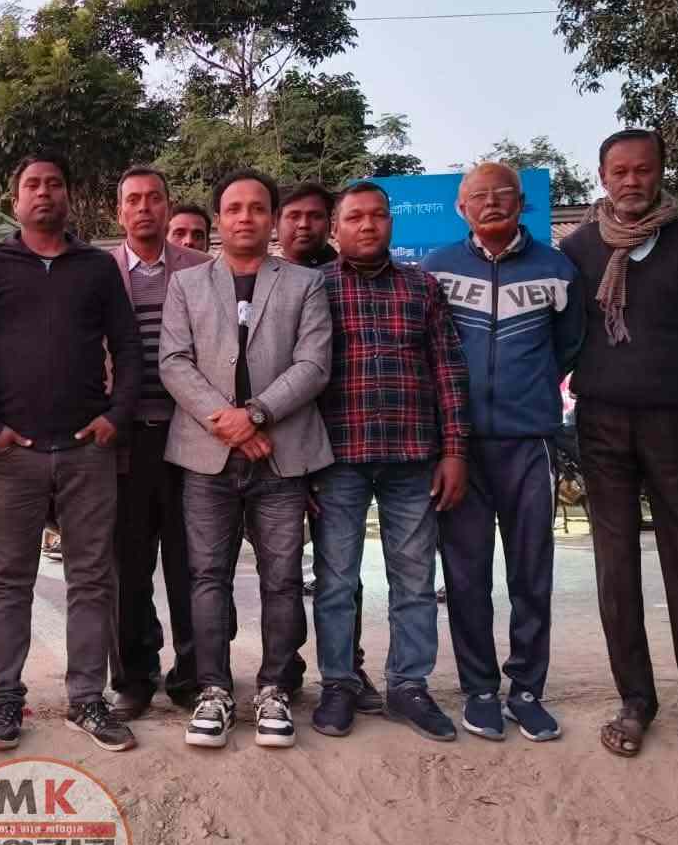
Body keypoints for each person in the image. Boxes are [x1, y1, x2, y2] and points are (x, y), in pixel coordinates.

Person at [561, 128, 678, 770]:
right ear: (603, 177)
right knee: (615, 566)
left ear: (660, 172)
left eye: (643, 170)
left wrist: (671, 380)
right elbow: (565, 333)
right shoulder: (577, 250)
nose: (631, 181)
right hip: (602, 423)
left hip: (676, 421)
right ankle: (634, 699)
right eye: (620, 172)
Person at [0, 154, 143, 752]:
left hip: (88, 452)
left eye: (54, 184)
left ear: (68, 196)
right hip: (15, 455)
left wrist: (115, 417)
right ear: (15, 200)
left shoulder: (96, 267)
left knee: (91, 580)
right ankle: (5, 699)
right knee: (10, 582)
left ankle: (87, 700)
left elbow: (130, 349)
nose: (44, 193)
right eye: (32, 185)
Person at [160, 170, 333, 749]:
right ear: (219, 219)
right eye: (234, 208)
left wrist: (255, 415)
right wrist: (228, 423)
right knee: (207, 577)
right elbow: (175, 362)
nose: (245, 217)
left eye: (257, 208)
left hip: (282, 457)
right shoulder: (186, 285)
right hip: (206, 458)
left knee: (282, 578)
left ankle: (275, 688)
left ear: (272, 219)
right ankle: (213, 689)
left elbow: (313, 365)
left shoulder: (305, 283)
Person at [422, 162, 584, 742]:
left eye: (503, 194)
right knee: (465, 575)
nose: (491, 203)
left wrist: (527, 394)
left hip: (529, 442)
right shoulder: (436, 269)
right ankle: (480, 689)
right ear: (461, 207)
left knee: (531, 573)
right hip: (459, 447)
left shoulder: (556, 269)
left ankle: (526, 690)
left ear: (521, 203)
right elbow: (427, 351)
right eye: (479, 196)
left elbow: (568, 347)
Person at [311, 181, 471, 743]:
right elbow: (301, 374)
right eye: (355, 217)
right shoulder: (315, 288)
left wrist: (455, 450)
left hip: (412, 455)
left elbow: (448, 370)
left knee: (415, 579)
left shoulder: (421, 286)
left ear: (391, 223)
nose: (368, 225)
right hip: (338, 458)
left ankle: (408, 685)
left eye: (378, 215)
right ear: (336, 229)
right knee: (336, 580)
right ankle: (338, 683)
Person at [107, 166, 211, 719]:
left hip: (189, 435)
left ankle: (194, 674)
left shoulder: (201, 269)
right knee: (128, 566)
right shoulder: (100, 271)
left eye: (154, 198)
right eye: (134, 200)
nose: (144, 208)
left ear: (168, 207)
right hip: (123, 441)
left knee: (192, 563)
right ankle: (134, 675)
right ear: (119, 211)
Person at [278, 182, 380, 713]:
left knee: (340, 570)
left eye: (315, 216)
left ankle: (346, 667)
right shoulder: (267, 284)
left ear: (331, 225)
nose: (304, 226)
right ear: (277, 224)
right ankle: (284, 664)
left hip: (339, 451)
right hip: (277, 446)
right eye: (293, 216)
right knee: (279, 569)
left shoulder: (343, 282)